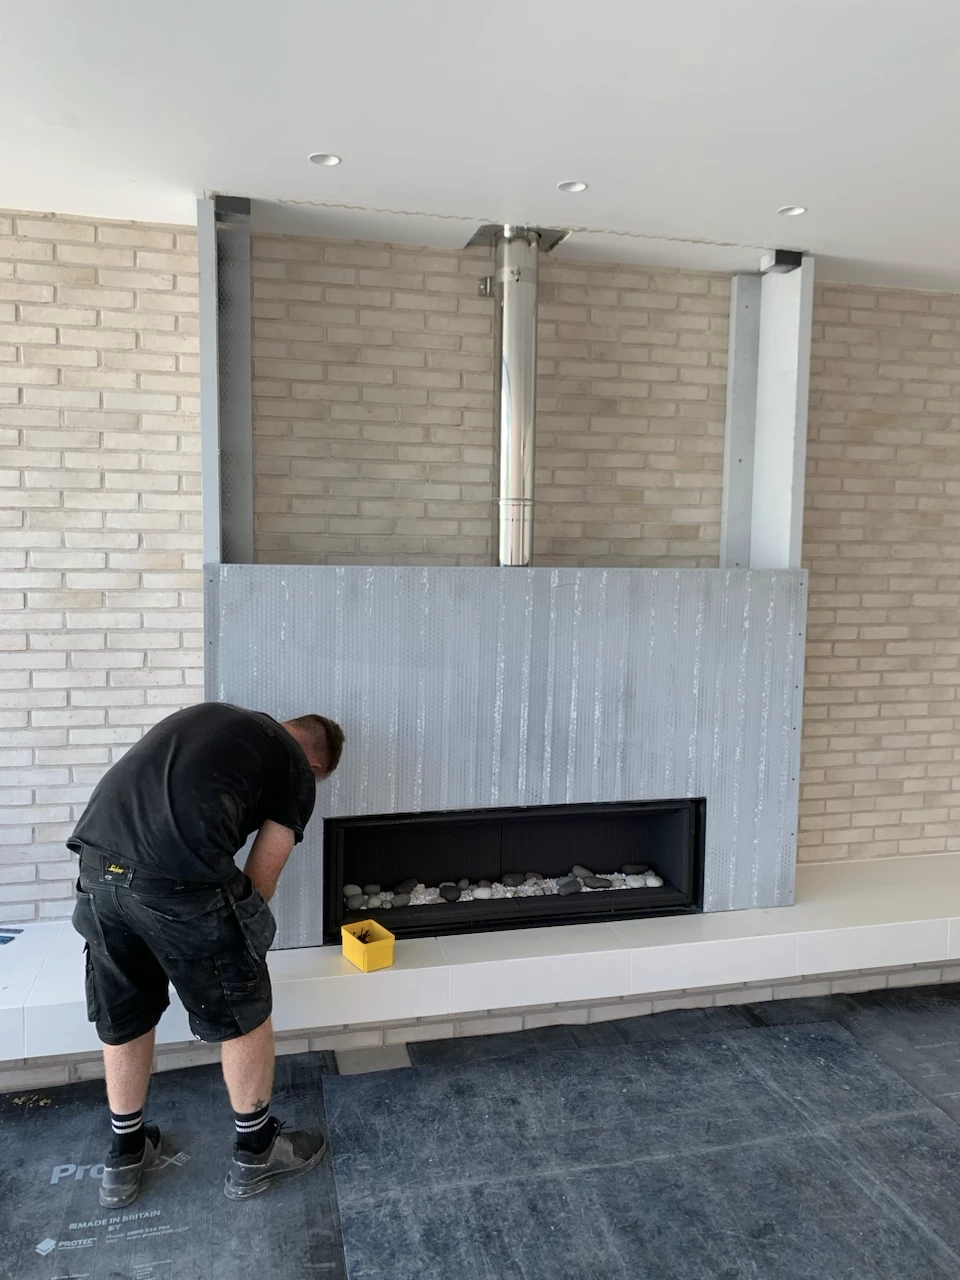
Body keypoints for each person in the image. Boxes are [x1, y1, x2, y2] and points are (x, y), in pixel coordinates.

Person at [67, 701, 344, 1209]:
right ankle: (256, 1152)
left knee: (125, 1012)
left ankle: (125, 1155)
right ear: (318, 767)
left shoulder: (214, 717)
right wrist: (240, 950)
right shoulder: (295, 769)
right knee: (244, 1013)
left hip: (95, 868)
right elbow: (263, 875)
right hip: (177, 880)